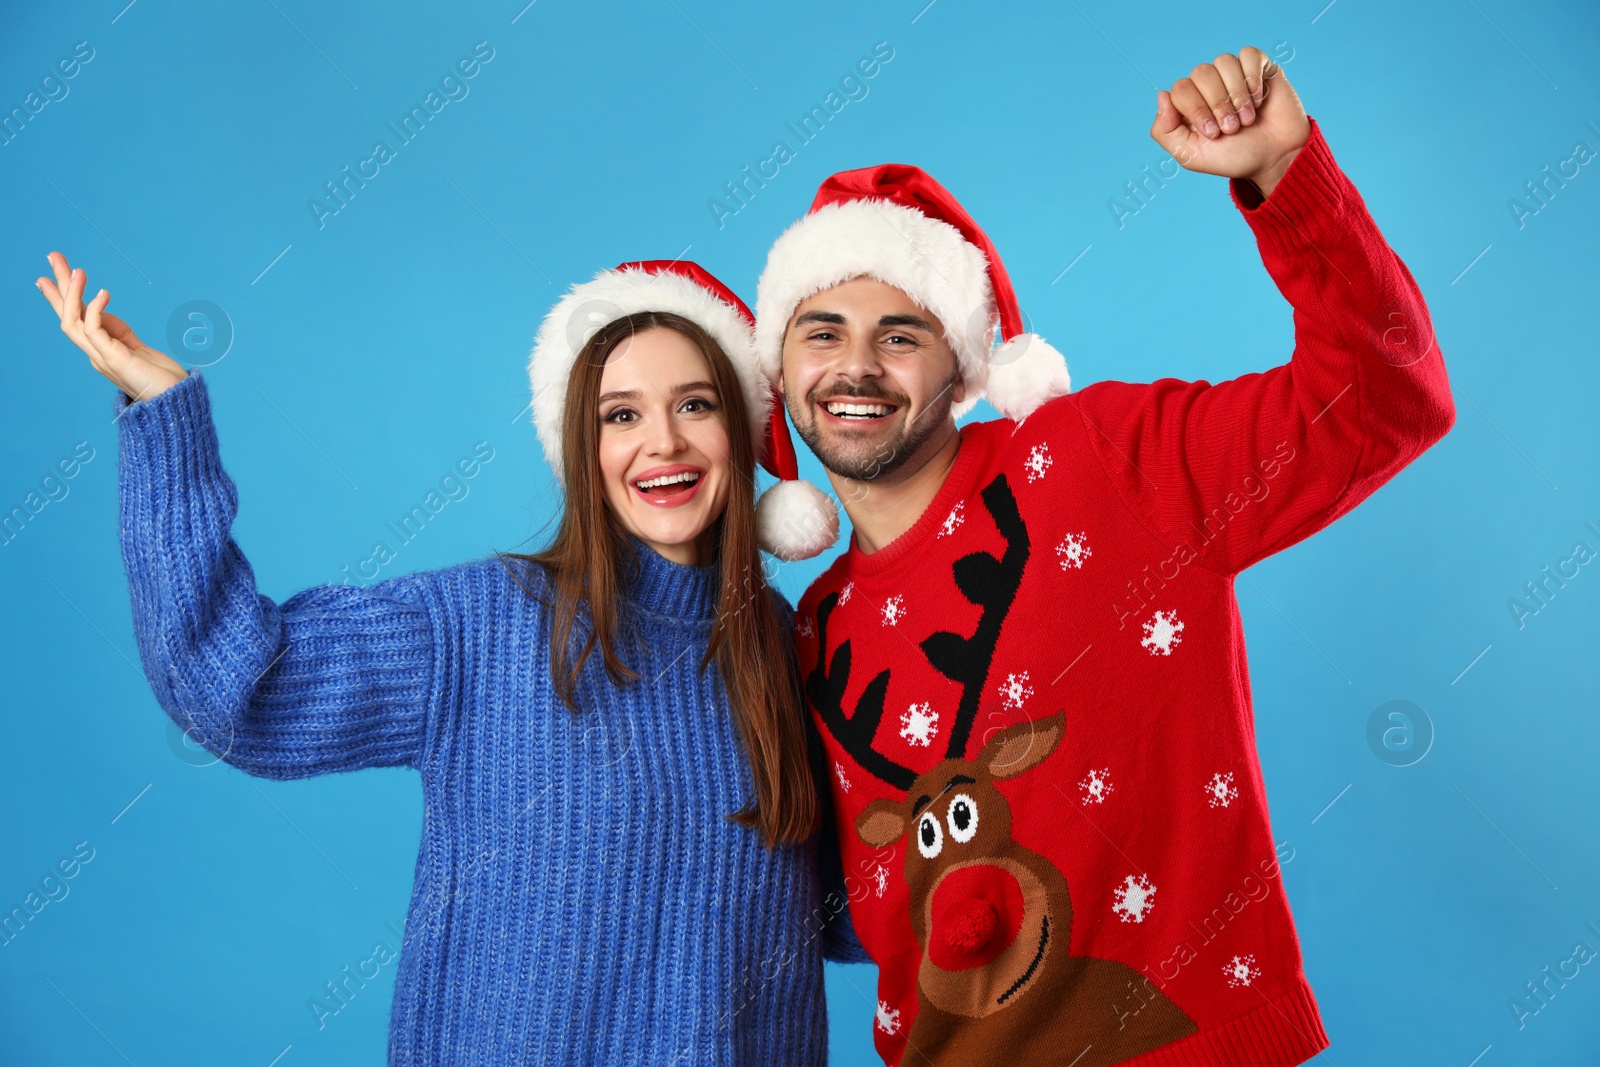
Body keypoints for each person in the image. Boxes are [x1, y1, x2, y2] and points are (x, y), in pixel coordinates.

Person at [750, 47, 1456, 1066]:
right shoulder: (812, 633)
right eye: (822, 331)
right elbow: (834, 911)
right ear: (782, 367)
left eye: (901, 333)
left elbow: (1384, 401)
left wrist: (1286, 176)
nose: (855, 364)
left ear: (963, 361)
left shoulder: (1105, 458)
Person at [35, 253, 860, 1064]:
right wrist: (166, 416)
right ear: (581, 445)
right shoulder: (482, 624)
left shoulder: (788, 653)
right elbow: (235, 687)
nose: (663, 442)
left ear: (740, 432)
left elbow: (859, 905)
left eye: (695, 404)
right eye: (621, 415)